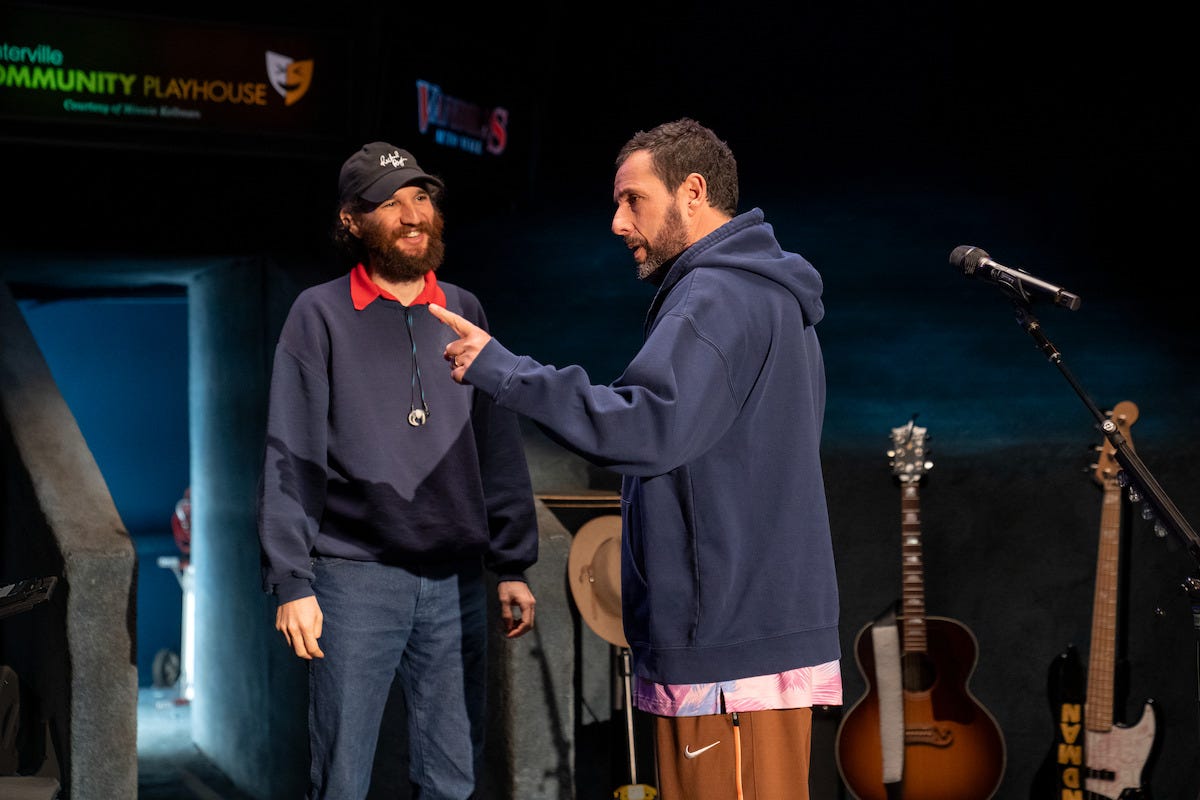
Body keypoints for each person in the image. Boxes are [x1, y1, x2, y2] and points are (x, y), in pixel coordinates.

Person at [429, 118, 841, 799]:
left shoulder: (718, 297)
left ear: (694, 191)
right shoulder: (761, 296)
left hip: (727, 649)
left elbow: (642, 428)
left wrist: (503, 369)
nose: (619, 223)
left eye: (634, 200)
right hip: (744, 635)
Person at [256, 141, 539, 800]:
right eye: (390, 202)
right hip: (353, 580)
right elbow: (289, 452)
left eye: (421, 197)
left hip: (457, 583)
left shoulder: (464, 308)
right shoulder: (319, 315)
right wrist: (293, 580)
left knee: (452, 777)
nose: (413, 214)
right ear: (352, 221)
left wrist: (513, 562)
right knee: (342, 780)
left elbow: (496, 441)